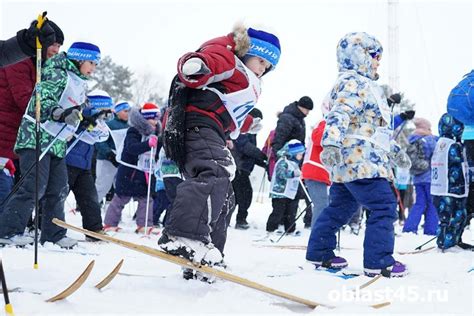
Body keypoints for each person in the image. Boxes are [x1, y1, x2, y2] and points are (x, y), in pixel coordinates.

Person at [159, 23, 280, 268]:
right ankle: (183, 235)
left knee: (225, 195)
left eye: (267, 68)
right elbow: (207, 61)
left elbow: (227, 107)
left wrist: (248, 123)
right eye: (261, 62)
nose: (262, 70)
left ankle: (208, 252)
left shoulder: (244, 79)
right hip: (196, 124)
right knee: (215, 171)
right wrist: (198, 67)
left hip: (210, 128)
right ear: (247, 51)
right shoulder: (228, 58)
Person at [306, 32, 411, 278]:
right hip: (362, 161)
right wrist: (330, 143)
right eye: (374, 56)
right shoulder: (355, 83)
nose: (377, 62)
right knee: (384, 206)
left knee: (341, 208)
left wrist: (395, 152)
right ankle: (379, 261)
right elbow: (339, 114)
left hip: (354, 161)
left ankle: (320, 251)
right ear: (359, 55)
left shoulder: (366, 87)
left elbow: (374, 130)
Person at [0, 41, 101, 248]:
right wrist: (60, 113)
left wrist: (84, 119)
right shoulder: (57, 71)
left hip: (57, 141)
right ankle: (8, 231)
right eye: (92, 62)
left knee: (58, 189)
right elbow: (42, 99)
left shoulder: (78, 81)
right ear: (80, 59)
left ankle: (54, 234)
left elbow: (72, 108)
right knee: (34, 186)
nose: (93, 68)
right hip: (36, 136)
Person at [103, 103, 160, 234]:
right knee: (121, 198)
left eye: (157, 118)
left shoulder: (155, 132)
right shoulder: (134, 130)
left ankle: (144, 224)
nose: (156, 122)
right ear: (145, 118)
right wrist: (147, 144)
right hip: (130, 172)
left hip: (145, 171)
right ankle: (110, 223)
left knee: (146, 199)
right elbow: (131, 148)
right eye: (153, 118)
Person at [66, 90, 113, 240]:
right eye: (106, 110)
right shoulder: (83, 114)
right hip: (68, 161)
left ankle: (94, 230)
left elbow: (103, 135)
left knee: (90, 198)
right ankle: (41, 224)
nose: (108, 115)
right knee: (56, 196)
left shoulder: (99, 122)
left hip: (84, 165)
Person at [431, 113, 469, 250]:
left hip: (441, 188)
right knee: (455, 216)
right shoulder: (454, 146)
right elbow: (458, 166)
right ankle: (448, 243)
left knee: (446, 216)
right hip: (453, 188)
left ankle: (446, 241)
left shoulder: (441, 143)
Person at [230, 108, 267, 230]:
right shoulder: (242, 130)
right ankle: (240, 220)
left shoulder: (251, 133)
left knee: (236, 196)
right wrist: (262, 156)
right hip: (238, 168)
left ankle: (230, 219)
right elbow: (245, 148)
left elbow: (251, 155)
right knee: (244, 195)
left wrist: (264, 163)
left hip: (243, 169)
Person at [402, 117, 439, 235]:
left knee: (419, 203)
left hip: (417, 177)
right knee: (432, 204)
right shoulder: (430, 139)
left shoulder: (411, 139)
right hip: (430, 176)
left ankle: (409, 228)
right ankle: (431, 229)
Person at [95, 100, 131, 203]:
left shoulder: (129, 126)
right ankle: (91, 208)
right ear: (118, 111)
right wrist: (109, 154)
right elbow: (100, 141)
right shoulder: (109, 124)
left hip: (121, 161)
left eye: (129, 111)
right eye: (125, 111)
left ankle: (113, 214)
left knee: (120, 188)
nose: (128, 113)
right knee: (102, 186)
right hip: (106, 160)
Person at [266, 139, 305, 234]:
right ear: (293, 153)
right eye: (299, 154)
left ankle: (290, 229)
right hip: (279, 193)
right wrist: (293, 174)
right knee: (278, 211)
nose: (301, 156)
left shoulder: (295, 164)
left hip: (290, 192)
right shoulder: (283, 161)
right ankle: (271, 228)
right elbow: (281, 174)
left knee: (291, 212)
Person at [301, 120, 330, 228]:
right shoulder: (325, 123)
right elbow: (318, 138)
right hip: (316, 170)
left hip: (320, 171)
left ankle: (319, 235)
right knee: (321, 205)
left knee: (323, 205)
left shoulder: (325, 123)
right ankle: (318, 237)